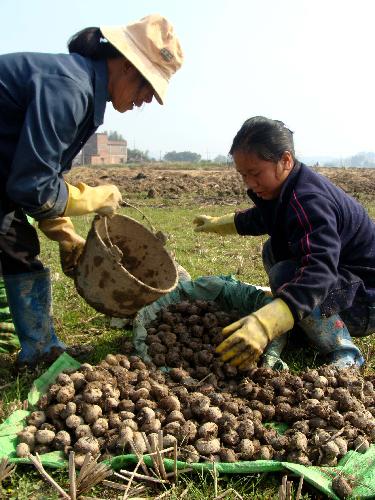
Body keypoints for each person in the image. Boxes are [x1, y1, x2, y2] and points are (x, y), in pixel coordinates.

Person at [0, 14, 183, 368]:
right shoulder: (68, 89)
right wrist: (93, 197)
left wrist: (64, 234)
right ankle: (40, 349)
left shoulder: (80, 87)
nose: (146, 100)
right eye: (148, 88)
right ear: (129, 66)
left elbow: (37, 173)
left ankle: (41, 349)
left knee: (15, 242)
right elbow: (30, 185)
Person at [193, 116, 375, 369]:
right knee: (273, 250)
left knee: (286, 273)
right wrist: (220, 223)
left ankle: (344, 353)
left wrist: (268, 321)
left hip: (366, 301)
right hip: (345, 281)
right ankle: (303, 321)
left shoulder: (310, 200)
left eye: (255, 173)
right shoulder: (287, 189)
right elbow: (266, 218)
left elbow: (319, 270)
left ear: (285, 160)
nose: (250, 184)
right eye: (243, 175)